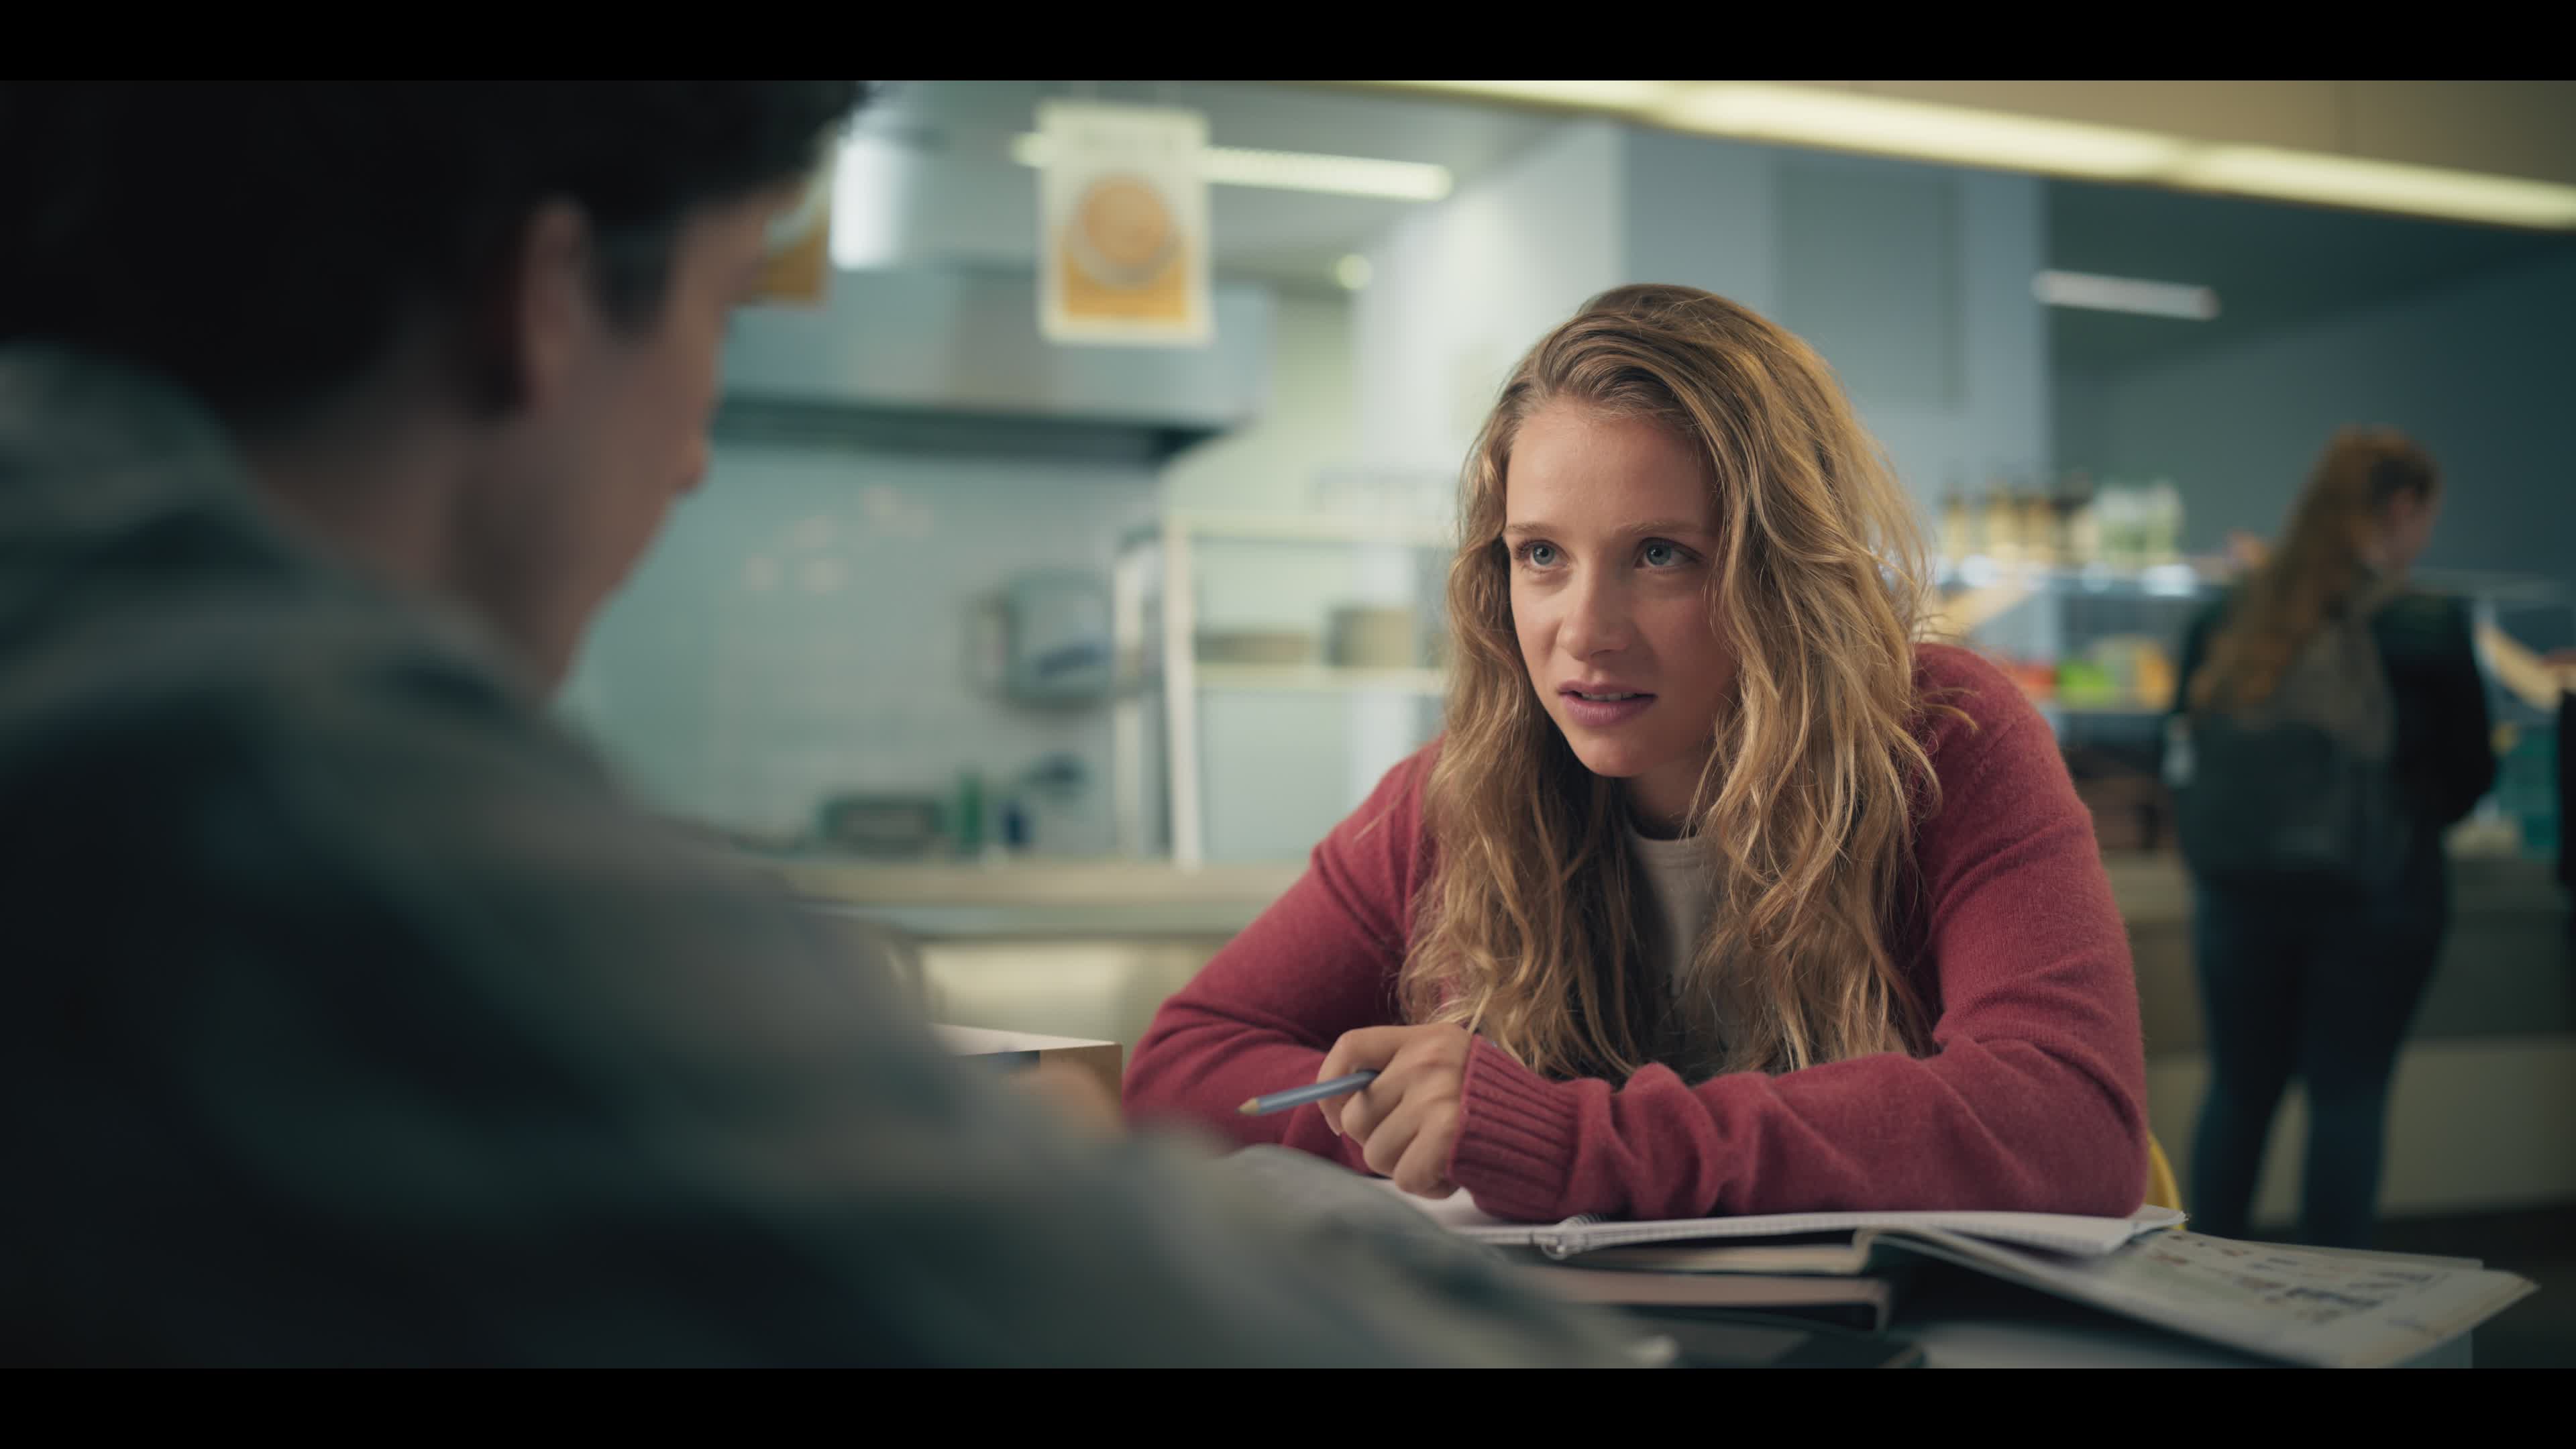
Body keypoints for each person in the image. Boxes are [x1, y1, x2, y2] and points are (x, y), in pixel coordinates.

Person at [0, 82, 1644, 1367]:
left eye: (1662, 556)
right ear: (544, 299)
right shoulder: (275, 783)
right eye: (727, 310)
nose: (693, 456)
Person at [1124, 284, 2152, 1224]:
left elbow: (2070, 1126)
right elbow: (1179, 1068)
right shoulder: (1454, 795)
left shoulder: (1942, 739)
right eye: (1541, 555)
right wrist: (1409, 1132)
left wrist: (1570, 1143)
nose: (1584, 631)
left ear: (1786, 572)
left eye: (1661, 556)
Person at [2170, 428, 2494, 1249]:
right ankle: (2336, 1300)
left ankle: (2197, 1280)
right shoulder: (2422, 624)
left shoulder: (2227, 615)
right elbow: (2470, 775)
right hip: (2376, 895)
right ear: (2403, 507)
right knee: (2348, 1096)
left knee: (2238, 1091)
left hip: (2236, 897)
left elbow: (2176, 747)